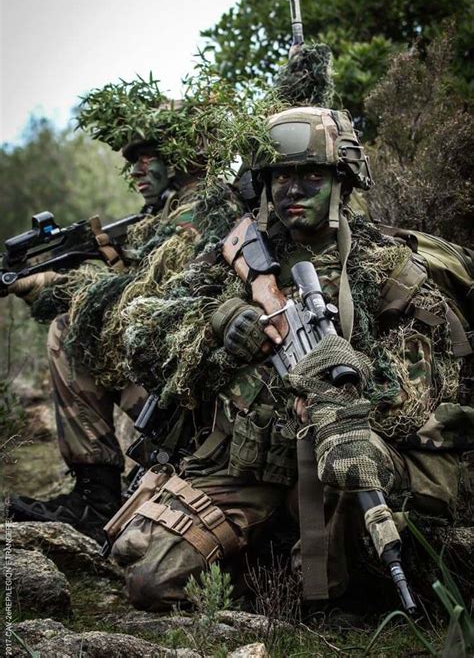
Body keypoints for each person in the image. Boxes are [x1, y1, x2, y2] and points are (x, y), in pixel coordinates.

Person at [107, 105, 473, 611]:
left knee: (352, 461)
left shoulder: (392, 273)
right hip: (249, 467)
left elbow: (419, 398)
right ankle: (269, 573)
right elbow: (141, 331)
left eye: (311, 174)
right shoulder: (239, 258)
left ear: (342, 181)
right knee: (147, 580)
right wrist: (220, 321)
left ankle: (321, 582)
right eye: (280, 175)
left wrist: (345, 392)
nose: (293, 189)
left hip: (340, 471)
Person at [8, 100, 245, 542]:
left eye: (146, 156)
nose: (136, 170)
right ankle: (96, 496)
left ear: (181, 153)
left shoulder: (200, 212)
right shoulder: (169, 214)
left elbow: (140, 304)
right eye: (132, 161)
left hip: (204, 408)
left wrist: (53, 287)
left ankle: (97, 502)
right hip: (188, 390)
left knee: (71, 331)